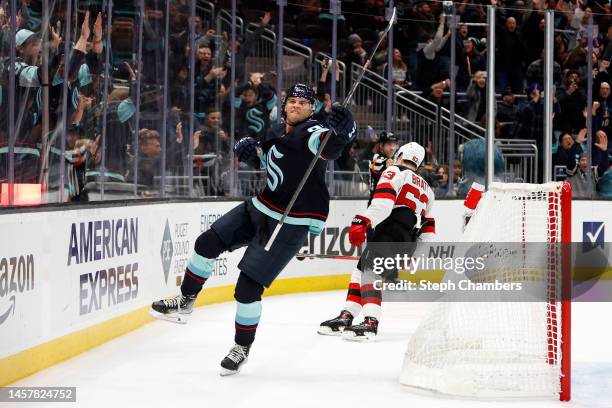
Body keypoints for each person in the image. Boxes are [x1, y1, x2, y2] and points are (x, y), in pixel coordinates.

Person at [150, 83, 356, 375]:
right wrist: (253, 155)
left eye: (303, 102)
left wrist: (346, 131)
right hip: (261, 206)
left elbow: (331, 146)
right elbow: (277, 162)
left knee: (247, 288)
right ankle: (185, 301)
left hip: (290, 221)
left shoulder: (312, 132)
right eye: (292, 101)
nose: (296, 105)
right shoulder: (279, 134)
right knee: (206, 243)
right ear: (285, 106)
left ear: (312, 109)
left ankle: (241, 347)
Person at [318, 142, 436, 341]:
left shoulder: (393, 171)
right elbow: (429, 227)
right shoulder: (428, 190)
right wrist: (415, 255)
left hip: (390, 229)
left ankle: (371, 322)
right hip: (408, 238)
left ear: (400, 155)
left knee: (370, 271)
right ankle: (347, 315)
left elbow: (383, 203)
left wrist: (363, 221)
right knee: (361, 269)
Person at [368, 131, 398, 206]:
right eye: (389, 144)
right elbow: (378, 165)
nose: (392, 148)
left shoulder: (392, 159)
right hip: (376, 204)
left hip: (388, 203)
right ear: (381, 145)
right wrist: (388, 166)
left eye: (394, 144)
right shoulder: (376, 158)